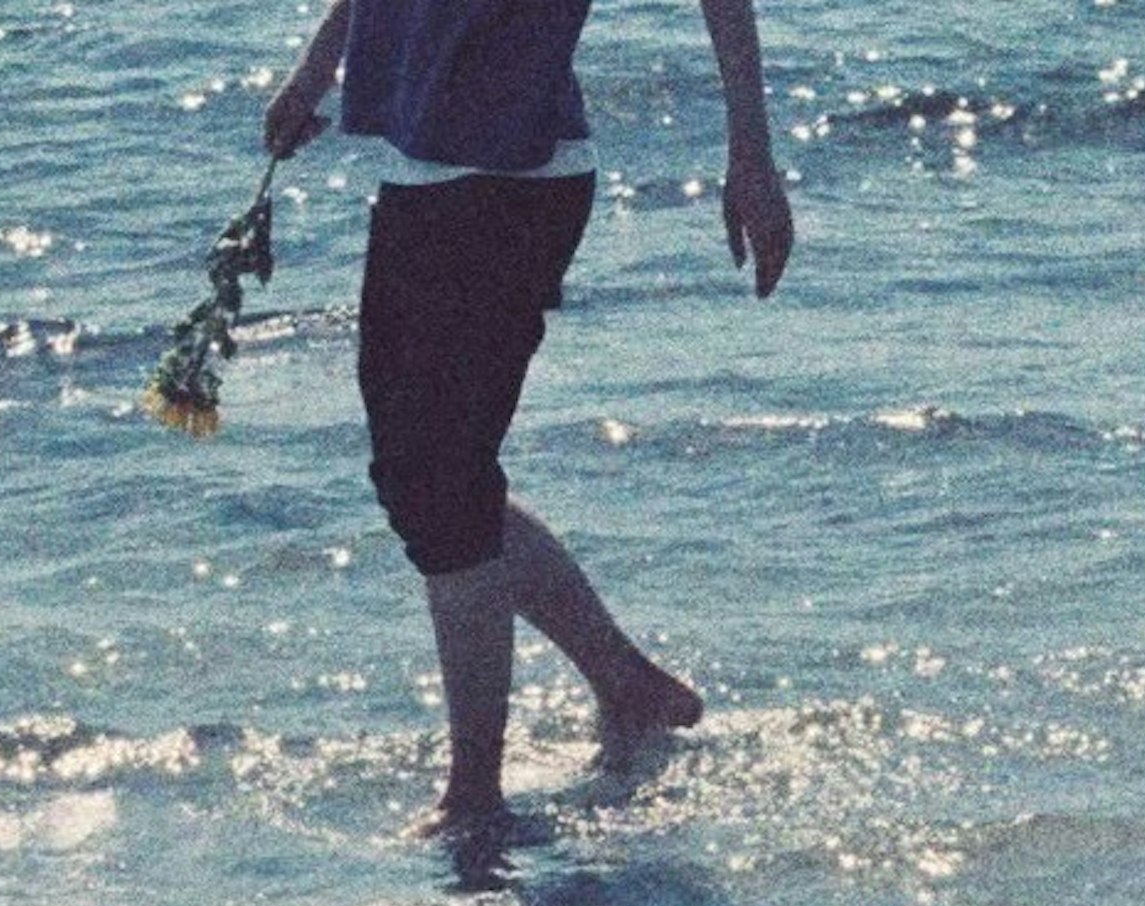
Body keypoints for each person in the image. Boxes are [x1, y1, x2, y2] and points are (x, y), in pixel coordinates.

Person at [263, 0, 794, 835]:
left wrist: (753, 157)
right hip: (421, 168)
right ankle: (626, 686)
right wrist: (316, 65)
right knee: (420, 482)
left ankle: (476, 792)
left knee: (442, 488)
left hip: (510, 181)